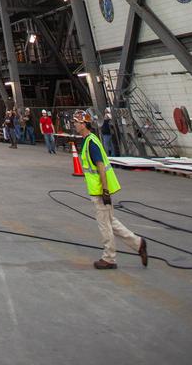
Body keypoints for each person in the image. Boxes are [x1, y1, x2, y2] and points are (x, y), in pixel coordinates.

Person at [72, 110, 147, 270]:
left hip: (100, 192)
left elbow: (101, 167)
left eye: (76, 123)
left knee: (104, 225)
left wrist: (105, 191)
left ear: (84, 124)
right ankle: (138, 243)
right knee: (111, 222)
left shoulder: (91, 143)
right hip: (97, 190)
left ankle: (109, 258)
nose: (74, 125)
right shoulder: (87, 141)